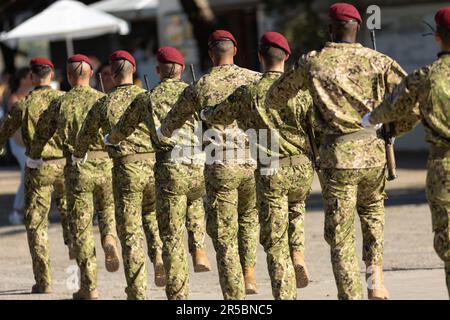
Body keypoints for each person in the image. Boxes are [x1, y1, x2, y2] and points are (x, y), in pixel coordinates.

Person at [265, 3, 418, 300]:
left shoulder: (313, 62)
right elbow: (411, 99)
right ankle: (377, 282)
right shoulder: (379, 61)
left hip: (337, 159)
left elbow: (275, 98)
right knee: (373, 216)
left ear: (330, 29)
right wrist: (393, 129)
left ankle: (351, 295)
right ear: (357, 28)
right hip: (374, 154)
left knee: (341, 235)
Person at [201, 32, 314, 300]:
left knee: (268, 240)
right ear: (287, 56)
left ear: (261, 56)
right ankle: (298, 252)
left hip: (262, 167)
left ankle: (244, 294)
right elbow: (316, 129)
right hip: (299, 167)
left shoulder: (247, 91)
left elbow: (217, 115)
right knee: (294, 209)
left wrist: (205, 113)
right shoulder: (300, 91)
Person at [158, 30, 261, 299]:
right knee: (249, 219)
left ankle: (234, 296)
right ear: (235, 51)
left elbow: (171, 123)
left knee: (225, 234)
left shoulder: (200, 85)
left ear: (210, 54)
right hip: (254, 161)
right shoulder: (254, 79)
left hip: (220, 164)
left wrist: (163, 134)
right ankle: (250, 273)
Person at [107, 46, 212, 300]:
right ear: (183, 69)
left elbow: (123, 129)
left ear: (157, 71)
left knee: (171, 234)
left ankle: (178, 297)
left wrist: (111, 139)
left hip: (169, 166)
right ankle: (198, 245)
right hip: (197, 162)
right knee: (195, 201)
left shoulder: (147, 98)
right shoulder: (194, 92)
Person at [363, 6, 450, 298]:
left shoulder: (425, 77)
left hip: (444, 168)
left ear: (437, 38)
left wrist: (371, 120)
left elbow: (394, 108)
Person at [72, 50, 164, 300]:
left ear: (111, 75)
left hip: (125, 171)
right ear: (133, 71)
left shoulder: (103, 103)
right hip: (153, 168)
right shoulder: (149, 98)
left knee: (131, 232)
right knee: (152, 217)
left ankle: (137, 291)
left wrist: (78, 154)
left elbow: (85, 137)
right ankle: (158, 255)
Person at [27, 54, 120, 300]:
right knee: (107, 207)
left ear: (68, 77)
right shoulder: (103, 100)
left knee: (82, 228)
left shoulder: (60, 103)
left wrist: (34, 156)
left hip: (78, 169)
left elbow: (41, 136)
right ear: (91, 75)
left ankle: (89, 287)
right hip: (105, 165)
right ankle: (109, 235)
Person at [0, 57, 70, 294]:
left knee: (37, 224)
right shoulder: (65, 100)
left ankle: (44, 281)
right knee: (73, 218)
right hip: (65, 167)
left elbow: (3, 134)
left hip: (37, 168)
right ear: (52, 76)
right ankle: (83, 274)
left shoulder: (23, 103)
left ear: (31, 77)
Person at [6, 67, 33, 225]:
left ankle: (24, 211)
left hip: (29, 142)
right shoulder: (14, 98)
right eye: (30, 76)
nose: (33, 78)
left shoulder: (31, 95)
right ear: (23, 79)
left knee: (29, 176)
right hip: (18, 142)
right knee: (27, 174)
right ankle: (17, 211)